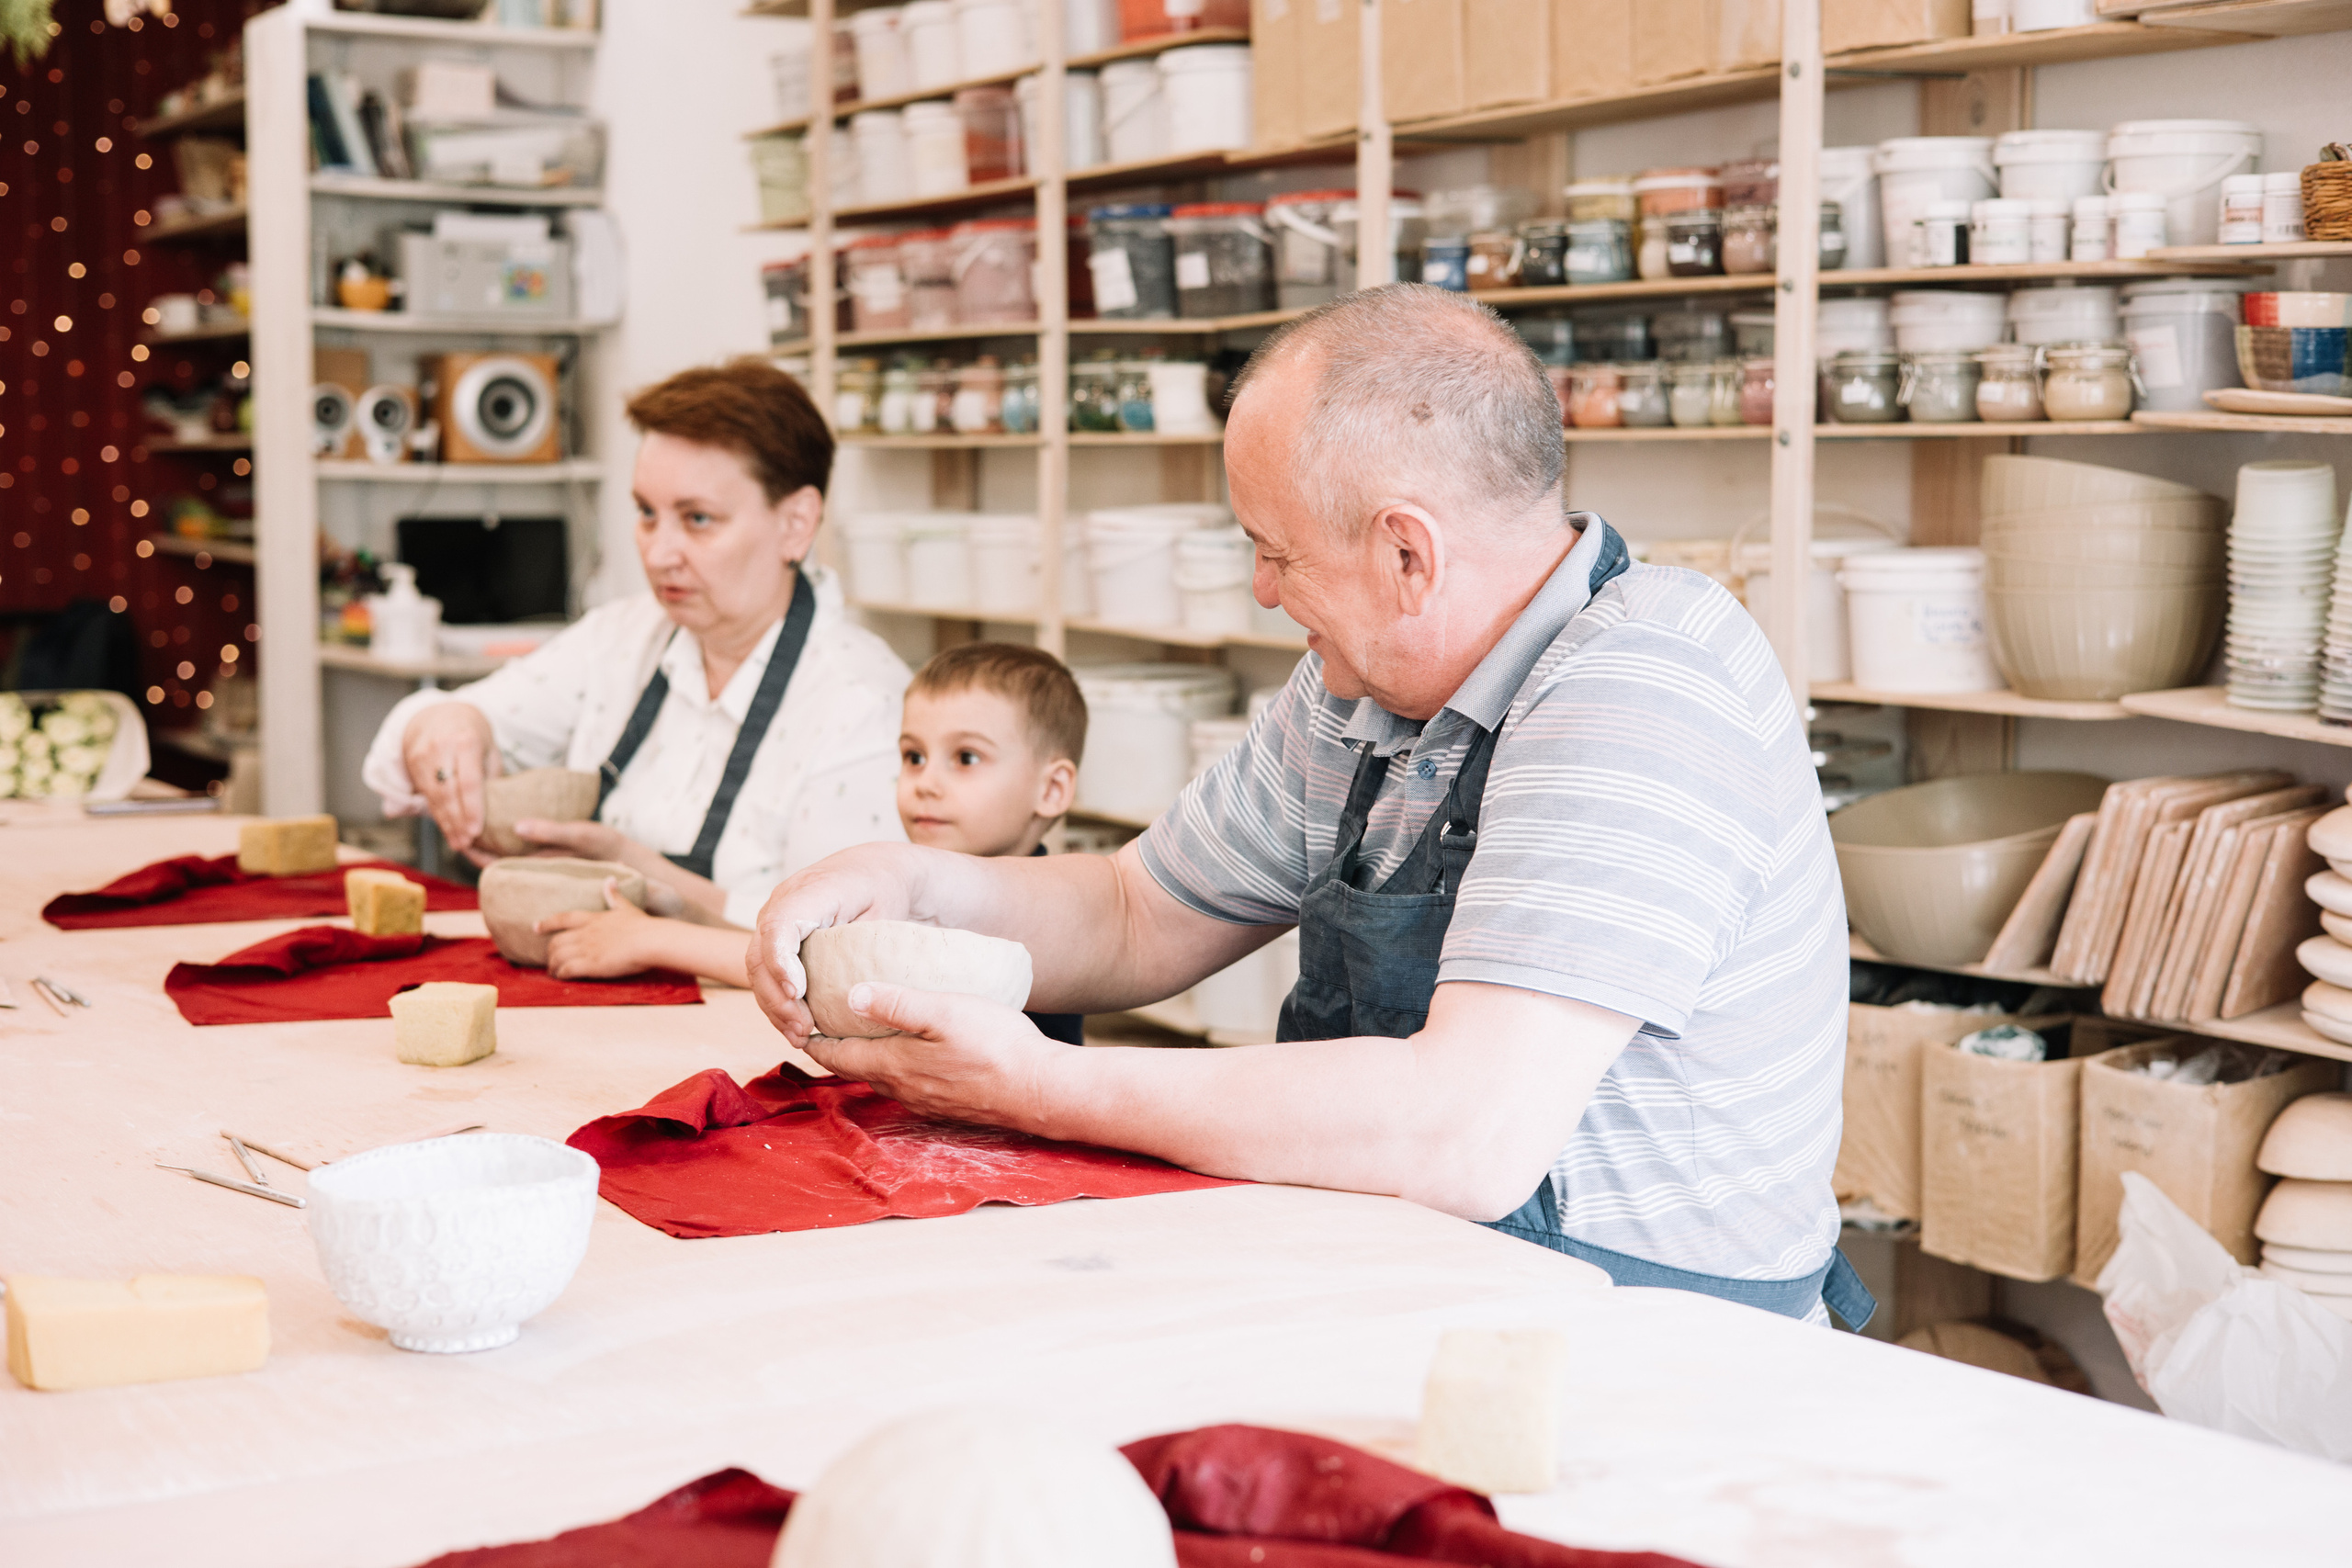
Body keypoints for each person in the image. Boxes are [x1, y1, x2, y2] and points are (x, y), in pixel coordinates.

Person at [745, 286, 1868, 1327]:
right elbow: (1138, 912)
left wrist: (1040, 1086)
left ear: (1406, 555)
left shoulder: (1642, 686)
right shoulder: (1362, 689)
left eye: (1275, 551)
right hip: (1413, 1274)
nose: (1261, 590)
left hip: (1652, 1346)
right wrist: (912, 884)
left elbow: (1463, 1133)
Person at [361, 358, 910, 982]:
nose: (659, 552)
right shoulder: (623, 637)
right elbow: (396, 759)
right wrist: (444, 723)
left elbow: (838, 959)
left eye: (697, 518)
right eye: (647, 513)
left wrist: (635, 868)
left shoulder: (862, 704)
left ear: (796, 524)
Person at [895, 642, 1088, 1045]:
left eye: (966, 758)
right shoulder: (922, 887)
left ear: (1051, 789)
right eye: (914, 757)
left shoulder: (1051, 911)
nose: (926, 783)